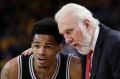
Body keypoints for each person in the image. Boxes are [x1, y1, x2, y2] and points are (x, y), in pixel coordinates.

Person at [55, 3, 120, 79]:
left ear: (86, 24)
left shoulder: (115, 43)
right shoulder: (85, 46)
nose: (67, 40)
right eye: (63, 35)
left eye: (69, 31)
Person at [1, 19, 82, 79]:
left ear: (59, 48)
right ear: (31, 46)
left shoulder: (74, 67)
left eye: (48, 46)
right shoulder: (13, 69)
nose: (41, 52)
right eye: (37, 46)